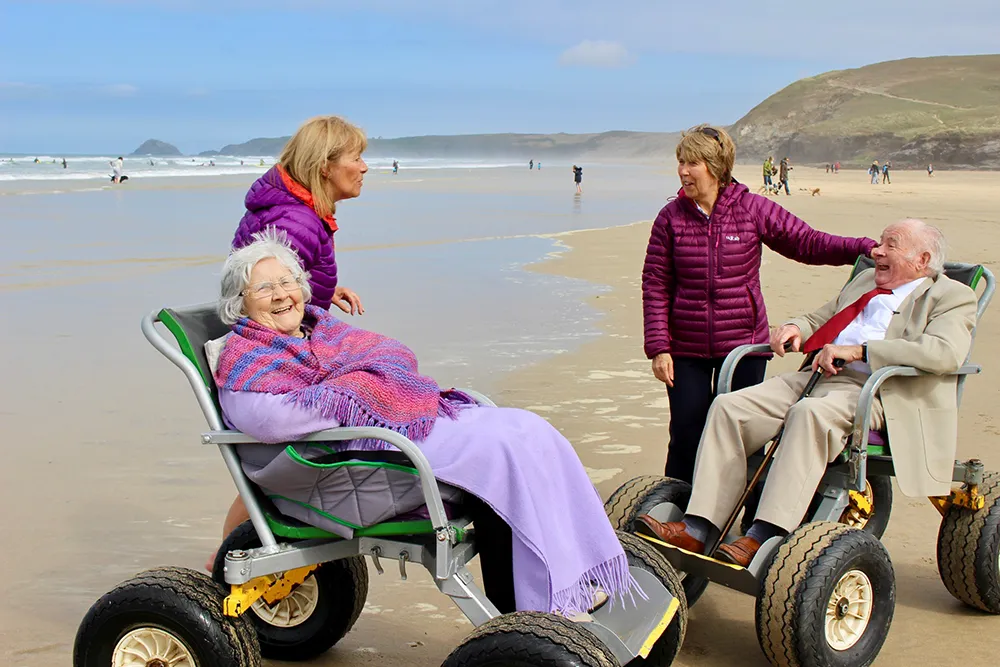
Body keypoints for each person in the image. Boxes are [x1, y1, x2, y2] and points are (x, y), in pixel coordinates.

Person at [206, 230, 640, 616]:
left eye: (287, 281)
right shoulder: (247, 359)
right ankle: (536, 608)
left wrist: (360, 385)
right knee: (502, 454)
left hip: (394, 427)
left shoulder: (319, 330)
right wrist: (357, 388)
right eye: (264, 288)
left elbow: (392, 354)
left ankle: (574, 578)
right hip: (347, 459)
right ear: (239, 303)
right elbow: (268, 420)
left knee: (527, 431)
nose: (282, 294)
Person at [639, 219, 976, 565]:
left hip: (880, 392)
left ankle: (765, 535)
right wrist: (795, 327)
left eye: (890, 245)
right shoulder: (864, 281)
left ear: (921, 260)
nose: (876, 251)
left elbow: (944, 352)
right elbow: (822, 317)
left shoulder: (952, 296)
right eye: (879, 242)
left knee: (808, 414)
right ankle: (699, 527)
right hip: (820, 376)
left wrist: (861, 351)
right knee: (729, 406)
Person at [642, 124, 876, 483]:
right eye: (680, 162)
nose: (683, 171)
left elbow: (807, 242)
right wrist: (659, 347)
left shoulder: (752, 210)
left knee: (745, 433)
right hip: (685, 346)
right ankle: (677, 506)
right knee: (687, 432)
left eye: (692, 163)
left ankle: (745, 510)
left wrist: (860, 247)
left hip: (743, 343)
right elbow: (655, 284)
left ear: (716, 166)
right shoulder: (670, 218)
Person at [233, 115, 365, 316]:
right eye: (356, 158)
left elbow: (279, 285)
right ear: (325, 167)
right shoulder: (293, 223)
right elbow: (268, 307)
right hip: (275, 342)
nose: (364, 167)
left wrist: (323, 291)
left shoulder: (297, 212)